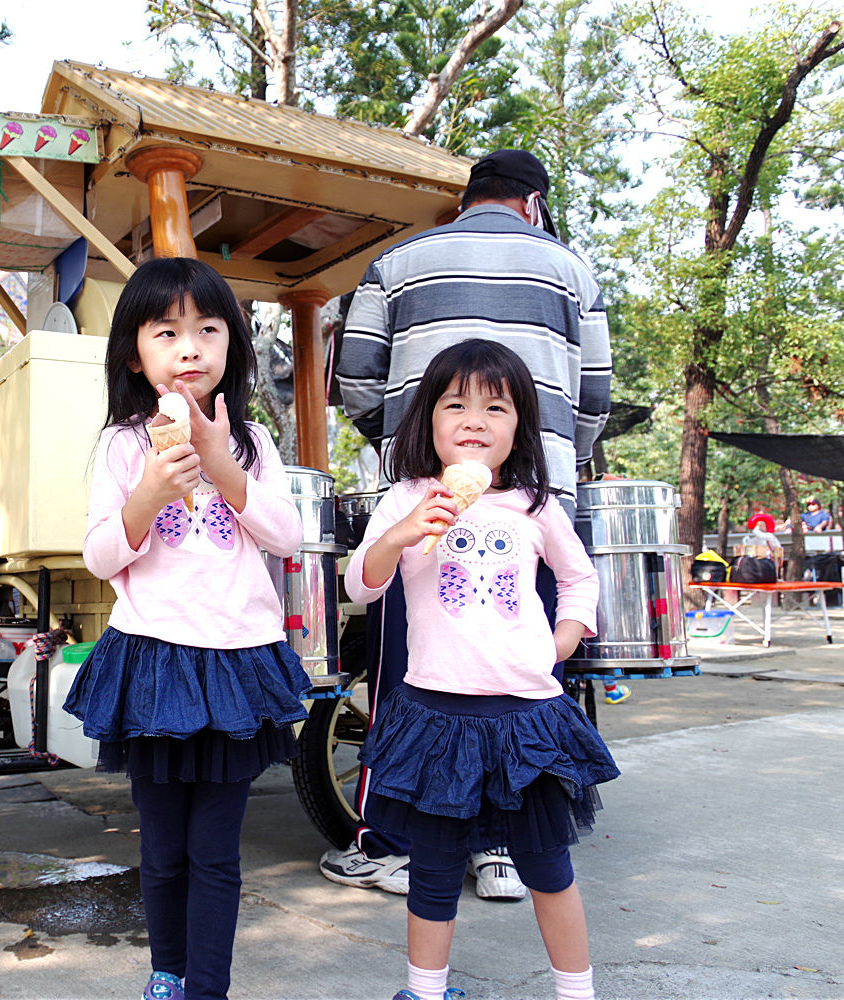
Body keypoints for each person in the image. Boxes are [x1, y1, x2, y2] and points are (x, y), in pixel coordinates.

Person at [327, 148, 611, 900]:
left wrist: (405, 442)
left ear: (468, 200)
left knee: (412, 680)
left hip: (449, 493)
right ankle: (503, 849)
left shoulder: (399, 261)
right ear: (532, 204)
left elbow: (354, 377)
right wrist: (545, 457)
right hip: (528, 491)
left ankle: (390, 839)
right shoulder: (574, 270)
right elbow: (593, 399)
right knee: (520, 684)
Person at [61, 257, 311, 1000]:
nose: (190, 347)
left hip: (235, 667)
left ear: (231, 342)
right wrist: (145, 494)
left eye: (207, 328)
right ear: (135, 353)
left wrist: (219, 464)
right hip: (156, 666)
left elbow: (287, 538)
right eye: (166, 331)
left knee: (216, 853)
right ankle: (165, 973)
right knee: (164, 850)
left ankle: (209, 988)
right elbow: (104, 556)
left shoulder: (253, 443)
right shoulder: (122, 444)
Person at [346, 339, 617, 1000]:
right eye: (456, 404)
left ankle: (576, 992)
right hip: (435, 715)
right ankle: (425, 989)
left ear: (518, 425)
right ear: (428, 421)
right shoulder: (407, 497)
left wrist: (562, 639)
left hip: (528, 716)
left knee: (547, 865)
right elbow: (361, 586)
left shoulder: (532, 504)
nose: (474, 420)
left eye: (496, 407)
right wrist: (403, 532)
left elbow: (579, 579)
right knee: (435, 868)